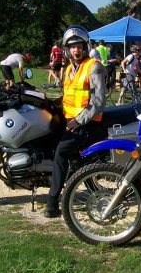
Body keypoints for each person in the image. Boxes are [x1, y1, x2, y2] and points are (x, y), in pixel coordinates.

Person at [45, 25, 106, 218]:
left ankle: (52, 202)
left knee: (61, 152)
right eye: (72, 47)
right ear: (67, 49)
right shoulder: (70, 68)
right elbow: (68, 97)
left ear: (85, 47)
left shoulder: (94, 66)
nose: (76, 50)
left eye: (79, 46)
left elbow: (98, 102)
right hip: (70, 120)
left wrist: (77, 122)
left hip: (87, 124)